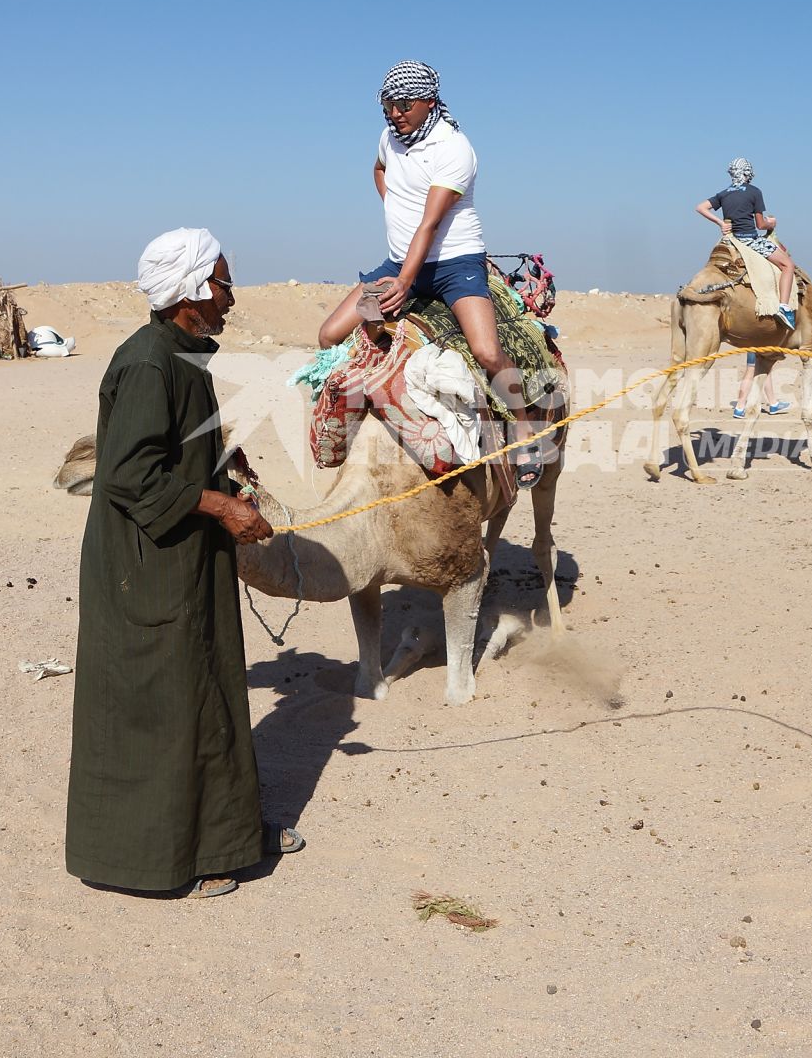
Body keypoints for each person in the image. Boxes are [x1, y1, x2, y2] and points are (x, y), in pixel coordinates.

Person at [66, 228, 305, 899]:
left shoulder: (181, 355)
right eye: (224, 283)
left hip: (184, 554)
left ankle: (227, 838)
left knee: (208, 692)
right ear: (191, 294)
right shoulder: (148, 364)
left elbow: (174, 452)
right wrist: (225, 511)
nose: (231, 297)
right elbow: (130, 475)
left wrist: (226, 472)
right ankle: (162, 861)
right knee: (165, 708)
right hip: (146, 564)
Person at [317, 60, 547, 484]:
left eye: (404, 104)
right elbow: (379, 167)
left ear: (429, 101)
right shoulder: (390, 138)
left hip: (454, 264)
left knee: (486, 351)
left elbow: (431, 224)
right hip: (398, 261)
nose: (395, 113)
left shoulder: (453, 148)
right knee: (331, 334)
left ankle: (526, 432)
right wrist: (392, 206)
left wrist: (405, 281)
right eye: (388, 106)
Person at [695, 158, 797, 329]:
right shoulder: (754, 192)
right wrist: (771, 223)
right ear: (748, 173)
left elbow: (700, 207)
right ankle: (784, 308)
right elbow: (760, 225)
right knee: (788, 265)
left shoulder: (724, 193)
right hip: (749, 238)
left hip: (731, 239)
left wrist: (721, 223)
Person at [733, 351, 790, 418]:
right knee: (753, 370)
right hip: (760, 345)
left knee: (760, 369)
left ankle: (773, 404)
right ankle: (740, 407)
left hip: (751, 344)